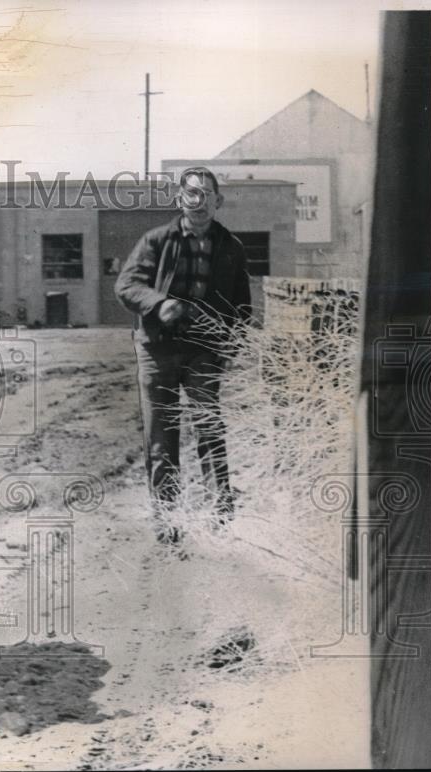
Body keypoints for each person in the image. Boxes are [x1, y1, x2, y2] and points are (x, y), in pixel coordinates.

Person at [115, 167, 252, 544]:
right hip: (158, 351)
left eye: (207, 194)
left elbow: (242, 306)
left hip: (204, 352)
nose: (200, 201)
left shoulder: (231, 247)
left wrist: (230, 346)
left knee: (209, 429)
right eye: (192, 194)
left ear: (218, 202)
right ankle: (168, 522)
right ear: (180, 199)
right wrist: (159, 304)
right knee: (162, 437)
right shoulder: (156, 240)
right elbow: (127, 285)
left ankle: (220, 520)